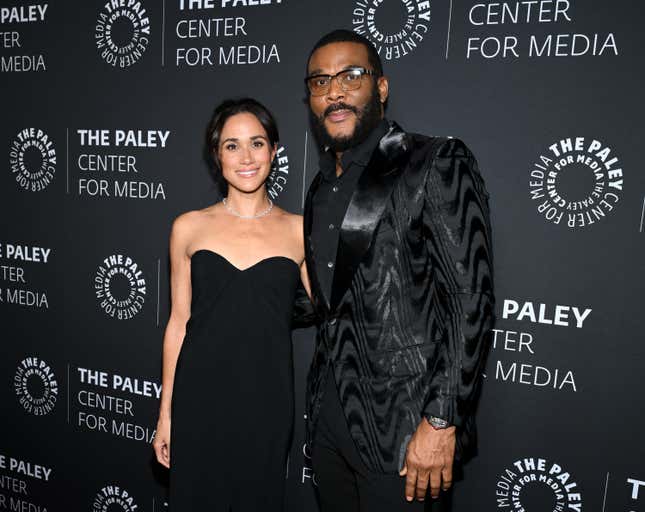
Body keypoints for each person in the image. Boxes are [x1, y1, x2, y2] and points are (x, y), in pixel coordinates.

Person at [301, 30, 495, 512]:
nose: (336, 91)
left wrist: (441, 420)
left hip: (406, 430)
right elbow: (328, 298)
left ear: (381, 87)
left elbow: (472, 299)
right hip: (329, 420)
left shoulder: (433, 161)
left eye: (351, 75)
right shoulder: (320, 186)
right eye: (321, 81)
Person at [152, 98, 312, 511]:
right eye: (232, 145)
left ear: (274, 150)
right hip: (198, 399)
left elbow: (335, 317)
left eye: (257, 143)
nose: (246, 157)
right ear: (216, 154)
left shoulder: (300, 231)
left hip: (267, 402)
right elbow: (178, 323)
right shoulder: (188, 227)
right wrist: (166, 413)